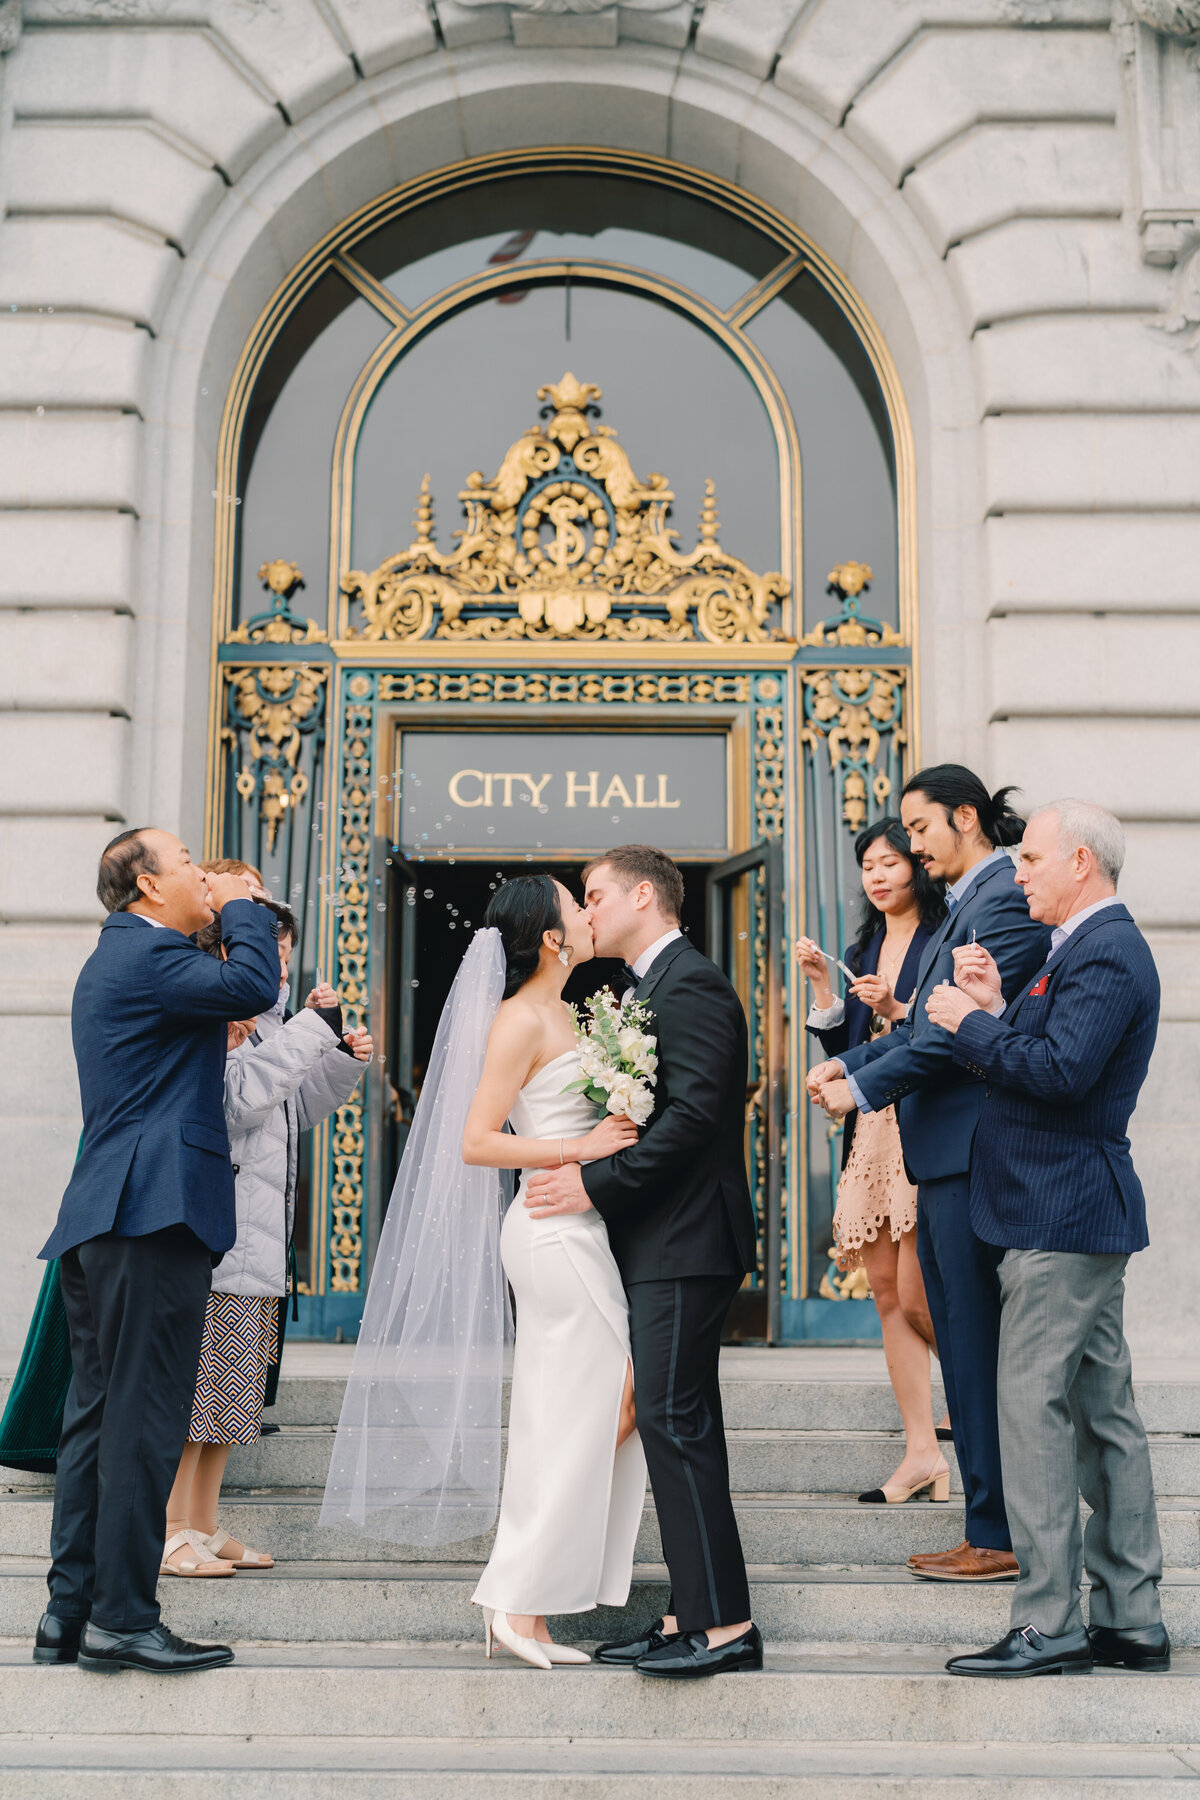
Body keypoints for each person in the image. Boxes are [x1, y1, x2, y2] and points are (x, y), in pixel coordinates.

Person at [321, 875, 645, 1670]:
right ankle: (516, 1600)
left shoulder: (571, 1011)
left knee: (580, 1413)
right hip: (549, 1232)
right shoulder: (518, 1019)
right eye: (577, 906)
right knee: (597, 1410)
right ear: (551, 937)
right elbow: (476, 1140)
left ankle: (523, 1607)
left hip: (581, 1226)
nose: (589, 912)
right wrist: (583, 1148)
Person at [926, 801, 1169, 1678]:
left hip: (1060, 1216)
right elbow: (1057, 1052)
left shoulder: (1106, 948)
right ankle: (1131, 1618)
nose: (1015, 871)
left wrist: (968, 1023)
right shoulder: (1084, 947)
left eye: (1028, 858)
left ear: (1079, 862)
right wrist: (998, 1005)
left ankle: (1049, 1623)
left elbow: (1062, 1076)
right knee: (1105, 1418)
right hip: (1064, 1211)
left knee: (1032, 1412)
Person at [34, 829, 281, 1675]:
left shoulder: (132, 956)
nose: (202, 877)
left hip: (111, 1213)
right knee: (141, 1421)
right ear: (146, 885)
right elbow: (253, 979)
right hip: (152, 1214)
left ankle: (69, 1615)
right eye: (187, 866)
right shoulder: (149, 955)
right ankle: (124, 1620)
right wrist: (246, 902)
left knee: (98, 1420)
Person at [808, 767, 1051, 1583]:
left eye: (918, 828)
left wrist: (860, 1082)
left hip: (973, 1150)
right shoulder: (969, 907)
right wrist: (848, 1062)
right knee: (959, 1339)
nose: (908, 845)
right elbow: (923, 1019)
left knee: (975, 1343)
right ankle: (988, 1524)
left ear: (966, 818)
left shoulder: (1002, 902)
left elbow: (955, 1031)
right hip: (941, 1154)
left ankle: (1002, 1534)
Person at [525, 845, 762, 1680]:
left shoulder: (689, 984)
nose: (586, 912)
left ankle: (726, 1628)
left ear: (640, 896)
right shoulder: (646, 987)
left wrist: (597, 1183)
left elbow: (696, 1115)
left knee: (674, 1419)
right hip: (662, 1239)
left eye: (594, 896)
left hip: (688, 1239)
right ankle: (688, 1610)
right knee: (673, 1421)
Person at [163, 901, 371, 1577]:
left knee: (231, 1394)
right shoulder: (213, 1018)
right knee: (198, 1395)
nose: (278, 965)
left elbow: (294, 1110)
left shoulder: (268, 1024)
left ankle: (203, 1522)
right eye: (269, 952)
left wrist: (335, 1057)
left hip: (260, 1234)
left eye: (284, 954)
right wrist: (309, 1032)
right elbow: (235, 1105)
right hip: (218, 1233)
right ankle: (170, 1530)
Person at [796, 817, 949, 1505]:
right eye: (868, 867)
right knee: (885, 1291)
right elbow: (855, 1036)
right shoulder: (863, 942)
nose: (879, 876)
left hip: (923, 1117)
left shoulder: (944, 935)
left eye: (891, 862)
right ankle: (921, 1452)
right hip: (872, 1124)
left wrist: (898, 1003)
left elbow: (942, 1024)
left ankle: (992, 1398)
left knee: (920, 1295)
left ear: (918, 865)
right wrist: (823, 992)